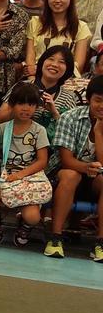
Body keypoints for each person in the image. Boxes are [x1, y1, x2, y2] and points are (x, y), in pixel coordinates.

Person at [0, 83, 52, 246]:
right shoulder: (2, 128)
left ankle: (25, 224)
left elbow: (42, 161)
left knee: (33, 217)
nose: (26, 108)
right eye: (21, 103)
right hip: (1, 178)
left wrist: (20, 174)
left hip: (27, 180)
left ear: (37, 107)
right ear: (12, 105)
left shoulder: (39, 130)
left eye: (31, 104)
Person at [44, 75, 103, 261]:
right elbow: (66, 160)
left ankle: (100, 243)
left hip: (96, 181)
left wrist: (99, 133)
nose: (102, 106)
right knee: (71, 175)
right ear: (88, 99)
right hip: (63, 176)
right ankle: (55, 238)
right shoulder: (70, 117)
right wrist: (87, 168)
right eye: (98, 100)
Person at [0, 45, 80, 141]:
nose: (54, 64)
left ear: (67, 69)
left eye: (62, 62)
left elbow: (72, 135)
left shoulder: (68, 98)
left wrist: (54, 113)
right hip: (16, 145)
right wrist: (24, 105)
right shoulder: (21, 87)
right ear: (42, 62)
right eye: (51, 59)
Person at [25, 0, 90, 77]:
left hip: (66, 79)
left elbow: (78, 65)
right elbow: (30, 60)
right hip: (36, 77)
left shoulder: (81, 27)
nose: (57, 0)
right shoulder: (35, 22)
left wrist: (47, 71)